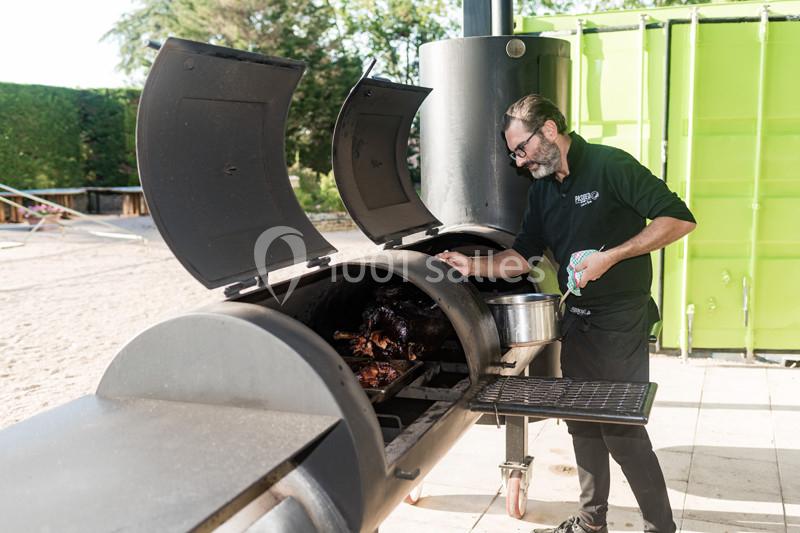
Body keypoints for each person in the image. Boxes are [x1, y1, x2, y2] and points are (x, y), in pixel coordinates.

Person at [436, 94, 696, 533]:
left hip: (620, 318)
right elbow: (522, 257)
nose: (519, 161)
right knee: (581, 423)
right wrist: (472, 265)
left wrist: (610, 257)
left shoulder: (611, 166)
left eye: (522, 148)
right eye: (514, 154)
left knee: (620, 430)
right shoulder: (542, 191)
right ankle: (592, 521)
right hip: (575, 317)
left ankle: (661, 528)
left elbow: (678, 219)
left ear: (550, 131)